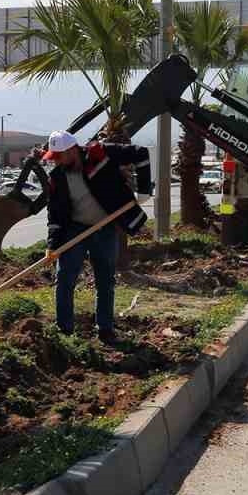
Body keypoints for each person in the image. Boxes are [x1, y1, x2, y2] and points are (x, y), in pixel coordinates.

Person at [30, 129, 152, 344]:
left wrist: (143, 190)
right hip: (75, 230)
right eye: (53, 157)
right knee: (65, 279)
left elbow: (141, 152)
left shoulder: (101, 154)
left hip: (105, 229)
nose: (55, 161)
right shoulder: (57, 177)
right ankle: (65, 331)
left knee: (105, 280)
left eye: (58, 156)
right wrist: (52, 245)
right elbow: (56, 214)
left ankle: (105, 329)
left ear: (71, 151)